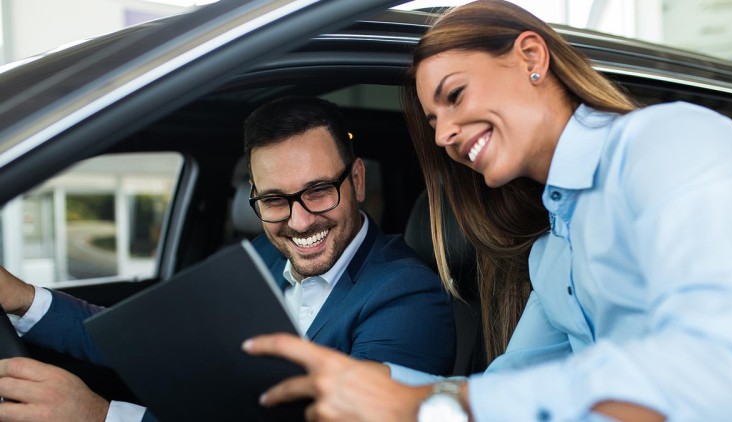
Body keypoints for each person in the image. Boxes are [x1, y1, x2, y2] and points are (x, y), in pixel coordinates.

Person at [242, 1, 732, 421]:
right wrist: (369, 379)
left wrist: (436, 406)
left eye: (455, 95)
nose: (444, 135)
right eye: (434, 119)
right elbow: (509, 385)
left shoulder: (668, 143)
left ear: (531, 56)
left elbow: (721, 367)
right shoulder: (552, 253)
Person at [0, 96, 456, 421]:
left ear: (356, 181)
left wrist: (101, 417)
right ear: (253, 198)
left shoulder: (408, 297)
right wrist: (21, 299)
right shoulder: (257, 255)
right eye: (275, 200)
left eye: (318, 191)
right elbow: (145, 339)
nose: (299, 222)